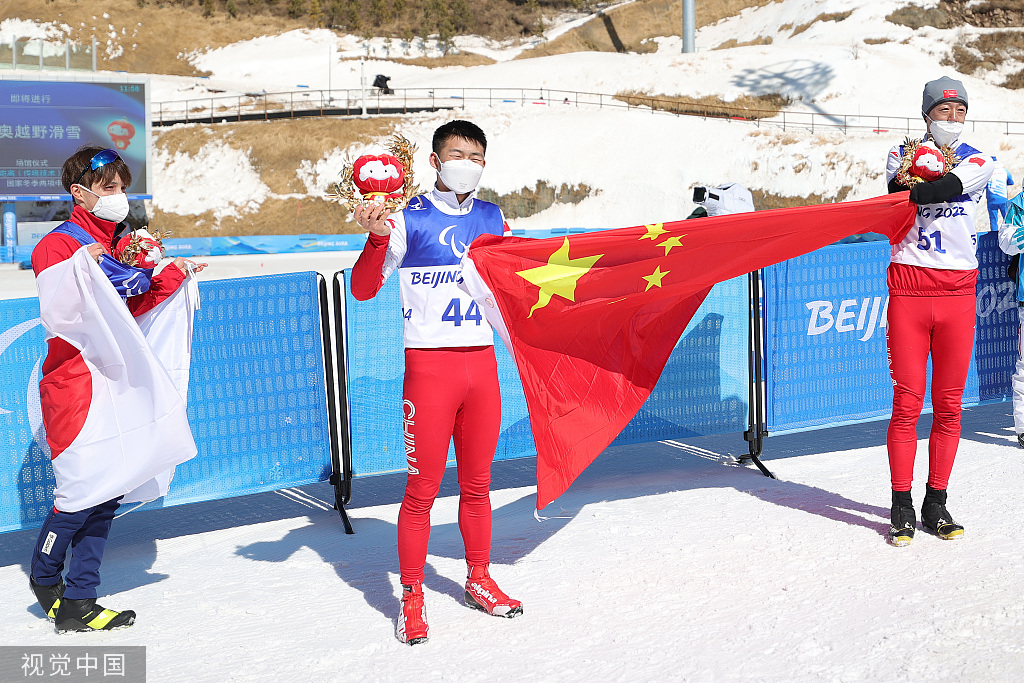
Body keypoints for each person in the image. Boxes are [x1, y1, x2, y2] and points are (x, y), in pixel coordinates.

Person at [350, 120, 522, 645]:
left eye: (476, 156)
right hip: (430, 371)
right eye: (456, 154)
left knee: (478, 485)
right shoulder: (407, 218)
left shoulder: (493, 218)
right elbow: (362, 288)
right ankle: (412, 595)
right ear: (435, 161)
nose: (466, 164)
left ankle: (479, 578)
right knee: (422, 489)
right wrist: (376, 238)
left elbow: (516, 284)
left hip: (482, 367)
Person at [28, 145, 206, 632]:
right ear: (78, 192)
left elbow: (129, 307)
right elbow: (61, 310)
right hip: (76, 382)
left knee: (108, 492)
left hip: (117, 379)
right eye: (109, 188)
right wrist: (85, 267)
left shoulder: (119, 243)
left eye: (123, 188)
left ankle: (80, 599)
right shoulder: (58, 245)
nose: (119, 196)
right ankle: (45, 575)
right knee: (80, 491)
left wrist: (169, 276)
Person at [884, 77, 994, 547]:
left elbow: (939, 190)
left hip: (957, 294)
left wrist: (920, 183)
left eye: (960, 111)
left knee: (949, 405)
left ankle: (936, 502)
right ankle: (901, 505)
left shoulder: (979, 160)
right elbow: (898, 188)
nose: (953, 118)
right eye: (944, 110)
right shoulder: (900, 154)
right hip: (909, 291)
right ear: (927, 113)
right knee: (907, 403)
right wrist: (913, 175)